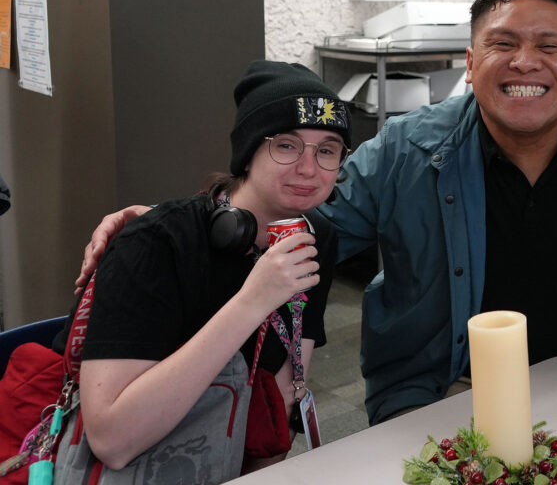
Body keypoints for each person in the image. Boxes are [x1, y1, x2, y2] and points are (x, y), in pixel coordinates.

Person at [81, 0, 557, 426]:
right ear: (470, 60)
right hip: (443, 395)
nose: (527, 62)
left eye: (549, 46)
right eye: (502, 44)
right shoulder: (407, 150)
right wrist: (181, 226)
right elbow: (304, 219)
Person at [56, 61, 349, 479]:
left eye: (327, 150)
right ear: (248, 153)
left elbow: (279, 401)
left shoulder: (315, 234)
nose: (308, 168)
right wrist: (253, 300)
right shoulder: (155, 242)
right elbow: (112, 442)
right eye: (285, 145)